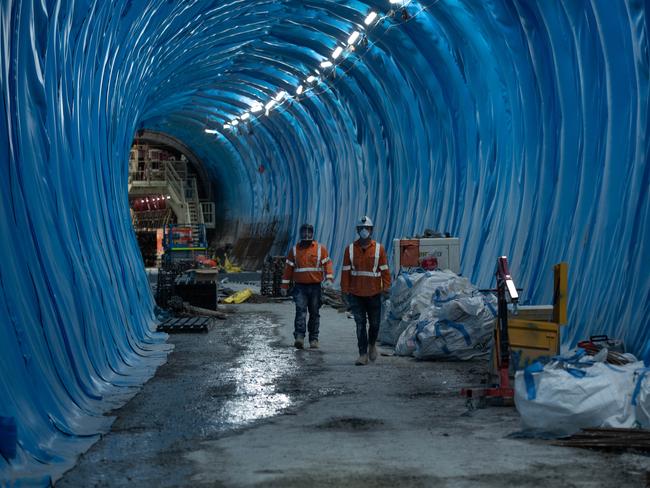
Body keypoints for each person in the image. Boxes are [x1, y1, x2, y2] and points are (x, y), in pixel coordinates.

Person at [341, 216, 391, 365]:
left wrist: (386, 288)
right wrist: (344, 291)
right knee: (360, 324)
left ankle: (371, 345)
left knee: (375, 324)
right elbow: (345, 272)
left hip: (374, 293)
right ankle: (362, 354)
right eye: (361, 229)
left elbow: (385, 271)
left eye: (367, 229)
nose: (364, 231)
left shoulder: (379, 249)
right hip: (356, 294)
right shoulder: (350, 249)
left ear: (371, 230)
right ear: (357, 230)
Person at [281, 223, 334, 349]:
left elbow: (328, 264)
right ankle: (299, 337)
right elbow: (288, 269)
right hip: (300, 287)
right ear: (301, 233)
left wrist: (329, 278)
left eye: (309, 231)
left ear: (313, 233)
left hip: (315, 287)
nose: (307, 234)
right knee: (301, 312)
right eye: (304, 231)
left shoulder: (321, 249)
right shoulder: (294, 250)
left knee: (314, 313)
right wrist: (284, 286)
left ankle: (313, 339)